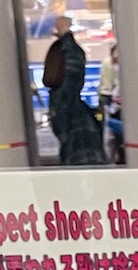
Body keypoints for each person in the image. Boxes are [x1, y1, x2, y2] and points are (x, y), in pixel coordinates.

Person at [43, 14, 103, 165]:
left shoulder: (57, 101)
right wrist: (65, 34)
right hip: (86, 169)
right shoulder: (65, 98)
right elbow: (74, 72)